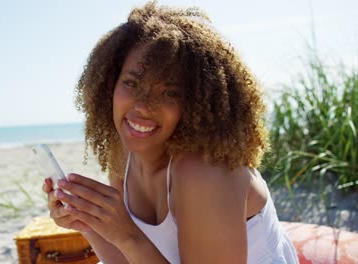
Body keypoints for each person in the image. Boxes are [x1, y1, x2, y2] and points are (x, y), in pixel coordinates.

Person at [42, 2, 298, 263]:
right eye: (131, 83)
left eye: (168, 93)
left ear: (196, 101)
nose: (142, 107)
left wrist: (128, 234)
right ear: (110, 84)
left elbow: (131, 243)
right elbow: (125, 259)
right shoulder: (124, 151)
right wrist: (87, 222)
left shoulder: (205, 171)